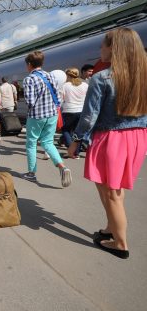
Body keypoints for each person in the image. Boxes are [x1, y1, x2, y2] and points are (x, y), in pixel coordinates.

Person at [68, 28, 147, 259]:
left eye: (103, 45)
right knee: (116, 189)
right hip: (137, 138)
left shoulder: (102, 78)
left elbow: (90, 116)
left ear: (114, 48)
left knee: (110, 192)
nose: (100, 49)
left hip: (111, 137)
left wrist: (76, 141)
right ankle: (110, 228)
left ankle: (120, 244)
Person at [22, 51, 72, 187]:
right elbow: (58, 96)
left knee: (31, 143)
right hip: (52, 114)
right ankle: (62, 167)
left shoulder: (29, 79)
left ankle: (31, 173)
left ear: (29, 64)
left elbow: (30, 101)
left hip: (36, 116)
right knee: (48, 142)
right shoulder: (50, 76)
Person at [59, 67, 88, 156]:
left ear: (68, 75)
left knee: (65, 130)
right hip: (82, 111)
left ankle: (70, 147)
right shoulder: (85, 85)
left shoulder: (65, 86)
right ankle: (77, 153)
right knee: (78, 132)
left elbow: (61, 99)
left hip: (68, 111)